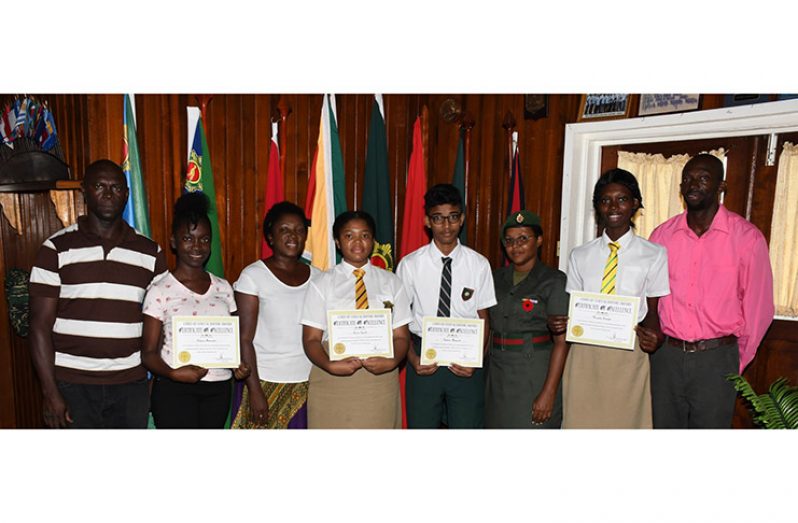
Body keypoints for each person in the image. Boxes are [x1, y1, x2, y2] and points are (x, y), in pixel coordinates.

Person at [28, 159, 167, 428]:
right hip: (72, 386)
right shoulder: (55, 249)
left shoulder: (151, 253)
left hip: (131, 385)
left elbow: (163, 324)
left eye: (116, 187)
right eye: (99, 186)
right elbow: (39, 327)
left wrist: (154, 382)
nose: (108, 193)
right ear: (84, 191)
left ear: (126, 195)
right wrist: (50, 392)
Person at [648, 153, 774, 428]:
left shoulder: (747, 238)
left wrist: (733, 361)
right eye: (687, 179)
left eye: (703, 178)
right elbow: (648, 297)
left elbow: (759, 309)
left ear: (721, 186)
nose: (693, 184)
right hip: (666, 358)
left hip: (717, 358)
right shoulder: (661, 236)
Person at [549, 168, 669, 428]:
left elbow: (653, 312)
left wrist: (656, 336)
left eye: (622, 199)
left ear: (635, 203)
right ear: (597, 207)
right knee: (580, 423)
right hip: (584, 355)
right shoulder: (580, 255)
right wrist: (561, 323)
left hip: (628, 355)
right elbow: (575, 308)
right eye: (605, 200)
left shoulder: (654, 254)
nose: (613, 206)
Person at [141, 192, 249, 429]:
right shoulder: (160, 290)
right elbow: (148, 353)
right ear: (173, 241)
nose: (197, 246)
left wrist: (237, 364)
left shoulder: (224, 287)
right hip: (175, 389)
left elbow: (232, 341)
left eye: (204, 239)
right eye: (188, 238)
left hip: (219, 389)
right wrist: (172, 373)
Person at [396, 183, 496, 429]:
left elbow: (484, 317)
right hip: (423, 358)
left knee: (467, 427)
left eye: (452, 218)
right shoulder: (410, 265)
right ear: (427, 221)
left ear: (461, 219)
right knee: (422, 427)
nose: (446, 226)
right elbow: (398, 319)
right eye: (438, 219)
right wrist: (412, 358)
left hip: (465, 359)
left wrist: (476, 361)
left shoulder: (479, 264)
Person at [300, 210, 412, 428]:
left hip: (379, 379)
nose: (358, 242)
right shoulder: (322, 283)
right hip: (333, 377)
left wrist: (393, 361)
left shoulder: (392, 282)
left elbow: (401, 336)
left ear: (373, 240)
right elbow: (311, 339)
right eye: (349, 236)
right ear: (338, 242)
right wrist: (329, 365)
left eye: (365, 235)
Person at [232, 201, 318, 429]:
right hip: (263, 381)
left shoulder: (319, 277)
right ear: (270, 237)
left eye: (300, 230)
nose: (293, 236)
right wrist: (255, 391)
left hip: (308, 382)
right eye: (284, 230)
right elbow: (244, 339)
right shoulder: (253, 276)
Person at [486, 210, 569, 429]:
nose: (516, 246)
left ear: (539, 240)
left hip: (533, 372)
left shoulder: (554, 280)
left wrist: (548, 393)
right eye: (510, 241)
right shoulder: (494, 278)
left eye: (524, 239)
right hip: (497, 373)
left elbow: (562, 342)